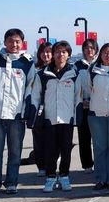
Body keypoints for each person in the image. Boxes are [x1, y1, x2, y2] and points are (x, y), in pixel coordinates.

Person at [0, 28, 37, 196]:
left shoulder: (27, 63)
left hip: (17, 117)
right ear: (4, 42)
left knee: (15, 152)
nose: (14, 44)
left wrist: (27, 112)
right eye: (11, 41)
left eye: (18, 41)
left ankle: (12, 182)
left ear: (22, 43)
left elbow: (31, 89)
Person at [31, 41, 77, 193]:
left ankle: (64, 176)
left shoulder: (74, 74)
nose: (60, 54)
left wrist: (76, 117)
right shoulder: (42, 74)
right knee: (50, 150)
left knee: (66, 150)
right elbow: (36, 97)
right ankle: (50, 177)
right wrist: (36, 116)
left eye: (64, 52)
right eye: (57, 51)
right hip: (49, 118)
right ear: (53, 54)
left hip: (67, 118)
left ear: (68, 55)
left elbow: (77, 97)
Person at [78, 43, 109, 191]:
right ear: (100, 54)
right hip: (96, 114)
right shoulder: (93, 70)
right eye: (105, 53)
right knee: (99, 148)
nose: (108, 56)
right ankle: (100, 179)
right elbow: (89, 89)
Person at [74, 38, 98, 174]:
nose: (89, 50)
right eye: (86, 48)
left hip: (98, 105)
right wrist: (80, 101)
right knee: (84, 137)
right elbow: (75, 86)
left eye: (92, 48)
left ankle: (100, 162)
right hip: (83, 106)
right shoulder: (77, 66)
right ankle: (87, 164)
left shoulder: (100, 64)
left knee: (99, 137)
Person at [30, 41, 53, 178]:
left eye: (49, 52)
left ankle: (51, 164)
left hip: (54, 108)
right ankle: (41, 166)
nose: (46, 54)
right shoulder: (34, 69)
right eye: (43, 52)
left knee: (52, 139)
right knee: (38, 138)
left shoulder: (57, 69)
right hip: (38, 108)